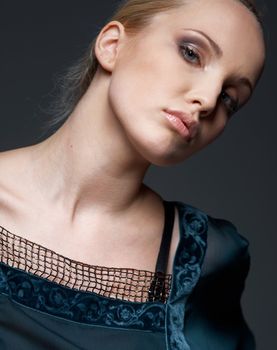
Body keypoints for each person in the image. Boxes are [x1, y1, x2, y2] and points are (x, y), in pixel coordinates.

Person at [0, 0, 265, 349]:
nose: (208, 99)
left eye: (230, 98)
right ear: (112, 46)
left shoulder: (205, 260)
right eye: (191, 53)